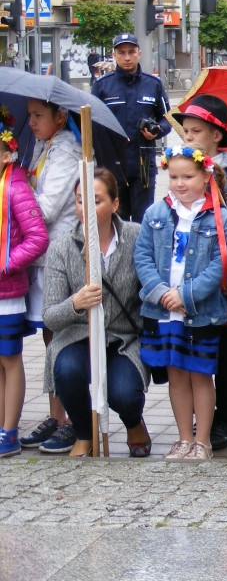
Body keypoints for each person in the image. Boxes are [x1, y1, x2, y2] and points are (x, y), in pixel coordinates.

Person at [44, 168, 151, 457]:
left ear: (115, 204)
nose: (86, 209)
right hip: (77, 336)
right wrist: (76, 302)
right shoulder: (62, 247)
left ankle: (133, 422)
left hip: (122, 338)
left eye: (96, 201)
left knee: (125, 394)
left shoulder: (136, 236)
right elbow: (50, 316)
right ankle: (83, 432)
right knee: (67, 369)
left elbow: (150, 287)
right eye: (80, 201)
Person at [135, 147, 227, 459]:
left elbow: (221, 262)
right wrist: (161, 292)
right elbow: (143, 256)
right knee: (176, 375)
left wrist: (186, 295)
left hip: (200, 311)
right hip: (164, 311)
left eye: (187, 176)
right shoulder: (155, 214)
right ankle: (182, 438)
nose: (179, 183)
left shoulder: (220, 216)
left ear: (205, 177)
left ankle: (202, 439)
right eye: (174, 176)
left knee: (200, 374)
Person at [174, 95, 227, 448]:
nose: (188, 137)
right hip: (186, 281)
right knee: (194, 350)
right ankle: (197, 418)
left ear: (217, 136)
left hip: (224, 279)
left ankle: (225, 418)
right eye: (185, 131)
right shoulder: (179, 169)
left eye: (196, 131)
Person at [19, 99, 82, 453]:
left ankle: (74, 419)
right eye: (29, 116)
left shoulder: (67, 152)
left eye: (38, 115)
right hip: (41, 256)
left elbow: (44, 208)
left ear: (60, 116)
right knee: (48, 336)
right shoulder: (44, 146)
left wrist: (12, 196)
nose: (31, 122)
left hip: (59, 255)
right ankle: (56, 415)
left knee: (63, 335)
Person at [0, 116, 49, 458]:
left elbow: (37, 238)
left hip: (7, 291)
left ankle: (10, 431)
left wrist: (5, 264)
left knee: (9, 359)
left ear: (7, 153)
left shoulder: (16, 186)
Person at [91, 33, 170, 223]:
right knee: (116, 221)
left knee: (144, 221)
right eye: (121, 52)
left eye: (131, 52)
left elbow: (169, 119)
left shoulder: (154, 85)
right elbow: (90, 124)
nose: (127, 57)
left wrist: (157, 130)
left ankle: (141, 254)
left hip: (143, 166)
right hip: (112, 166)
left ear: (139, 53)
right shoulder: (102, 86)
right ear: (114, 54)